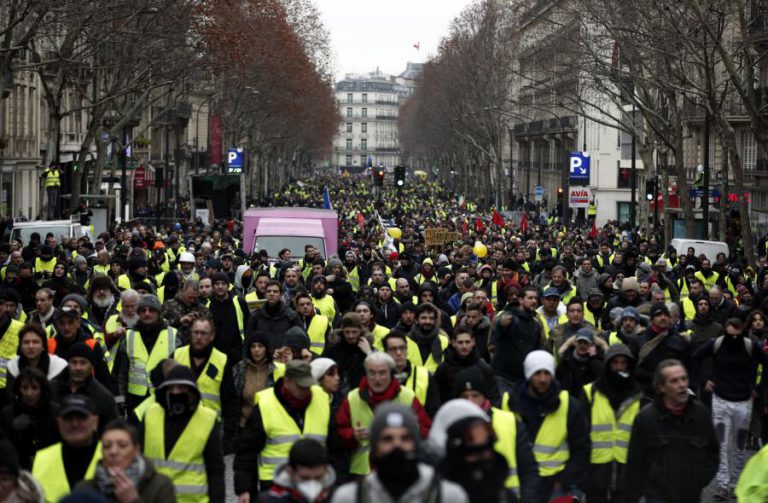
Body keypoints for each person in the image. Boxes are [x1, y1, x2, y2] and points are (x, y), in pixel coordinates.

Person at [234, 360, 335, 500]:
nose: (306, 391)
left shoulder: (321, 399)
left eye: (309, 386)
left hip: (317, 481)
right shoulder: (265, 404)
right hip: (275, 483)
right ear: (287, 382)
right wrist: (244, 488)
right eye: (301, 386)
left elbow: (335, 446)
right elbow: (247, 450)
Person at [691, 317, 768, 500]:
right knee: (721, 444)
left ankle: (735, 482)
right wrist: (703, 382)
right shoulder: (717, 344)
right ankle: (723, 485)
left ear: (742, 331)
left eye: (736, 335)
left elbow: (766, 365)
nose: (733, 339)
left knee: (739, 446)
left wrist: (759, 388)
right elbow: (695, 358)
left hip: (743, 403)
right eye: (730, 334)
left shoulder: (750, 346)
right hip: (721, 402)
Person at [624, 359, 719, 502]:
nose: (681, 385)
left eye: (684, 379)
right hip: (658, 496)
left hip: (690, 496)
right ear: (661, 387)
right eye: (674, 381)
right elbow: (635, 464)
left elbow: (713, 453)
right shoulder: (646, 418)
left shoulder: (701, 414)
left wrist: (699, 480)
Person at [331, 403, 468, 503]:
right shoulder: (349, 498)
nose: (397, 445)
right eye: (387, 439)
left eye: (405, 438)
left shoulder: (448, 496)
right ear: (375, 446)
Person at [502, 350, 589, 501]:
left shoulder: (569, 405)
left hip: (555, 487)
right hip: (518, 485)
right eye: (537, 373)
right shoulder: (507, 404)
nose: (543, 379)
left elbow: (581, 450)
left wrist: (563, 482)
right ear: (528, 375)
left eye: (547, 373)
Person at [450, 369, 540, 501]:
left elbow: (529, 471)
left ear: (484, 396)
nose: (470, 401)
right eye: (465, 396)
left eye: (475, 395)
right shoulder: (449, 425)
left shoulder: (509, 422)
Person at [336, 352, 431, 477]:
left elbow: (426, 431)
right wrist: (352, 435)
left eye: (382, 372)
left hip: (402, 470)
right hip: (363, 473)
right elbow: (338, 434)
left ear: (390, 373)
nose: (377, 378)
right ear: (366, 373)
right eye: (372, 373)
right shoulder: (352, 398)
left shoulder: (408, 396)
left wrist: (414, 430)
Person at [142, 365, 225, 502]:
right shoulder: (151, 414)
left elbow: (215, 470)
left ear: (192, 391)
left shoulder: (208, 419)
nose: (176, 393)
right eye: (172, 388)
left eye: (181, 388)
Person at [581, 344, 643, 503]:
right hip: (596, 467)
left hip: (626, 470)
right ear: (608, 364)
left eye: (624, 363)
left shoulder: (638, 395)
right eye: (615, 362)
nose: (619, 367)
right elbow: (580, 434)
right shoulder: (590, 392)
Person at [75, 419, 176, 503]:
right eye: (107, 446)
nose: (113, 452)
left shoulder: (160, 486)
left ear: (136, 450)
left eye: (122, 445)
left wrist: (133, 500)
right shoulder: (84, 489)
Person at [114, 294, 180, 412]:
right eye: (143, 310)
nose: (147, 313)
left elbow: (182, 373)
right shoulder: (129, 336)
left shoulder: (173, 336)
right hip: (134, 403)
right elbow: (119, 375)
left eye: (151, 310)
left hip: (164, 401)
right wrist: (120, 401)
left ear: (158, 313)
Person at [32, 394, 103, 503]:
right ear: (59, 423)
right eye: (68, 418)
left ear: (95, 422)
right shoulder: (42, 458)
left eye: (81, 417)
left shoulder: (111, 456)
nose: (74, 424)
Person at [54, 342, 119, 436]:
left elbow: (112, 433)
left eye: (83, 363)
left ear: (92, 366)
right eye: (74, 362)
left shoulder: (104, 398)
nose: (78, 367)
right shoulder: (52, 390)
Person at [1, 367, 60, 470]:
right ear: (19, 389)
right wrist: (13, 431)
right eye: (25, 387)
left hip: (49, 469)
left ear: (42, 389)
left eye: (34, 388)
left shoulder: (55, 412)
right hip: (18, 470)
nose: (29, 393)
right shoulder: (8, 413)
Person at [628, 302, 691, 397]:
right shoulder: (639, 340)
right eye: (658, 315)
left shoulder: (679, 340)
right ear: (652, 319)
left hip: (672, 395)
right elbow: (630, 368)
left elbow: (687, 367)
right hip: (645, 394)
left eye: (666, 315)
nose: (663, 317)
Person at [490, 286, 545, 393]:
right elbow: (498, 331)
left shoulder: (535, 325)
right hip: (504, 377)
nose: (533, 301)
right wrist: (501, 324)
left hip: (525, 378)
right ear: (520, 300)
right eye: (530, 298)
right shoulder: (509, 317)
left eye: (535, 298)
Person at [433, 328, 500, 407]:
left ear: (473, 342)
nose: (464, 346)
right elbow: (435, 396)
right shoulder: (443, 369)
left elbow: (493, 396)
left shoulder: (483, 367)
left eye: (467, 342)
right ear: (453, 343)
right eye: (460, 342)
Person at [383, 331, 441, 418]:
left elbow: (433, 412)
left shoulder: (424, 375)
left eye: (402, 348)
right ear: (385, 352)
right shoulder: (378, 376)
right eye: (393, 349)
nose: (399, 353)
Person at [233, 331, 284, 428]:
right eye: (253, 346)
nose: (256, 350)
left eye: (260, 346)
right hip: (243, 426)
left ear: (266, 349)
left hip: (268, 426)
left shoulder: (276, 370)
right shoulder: (239, 369)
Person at [264, 438, 337, 503]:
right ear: (290, 472)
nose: (312, 484)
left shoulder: (338, 498)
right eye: (305, 478)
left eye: (318, 477)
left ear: (326, 471)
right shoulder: (269, 500)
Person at [321, 312, 372, 393]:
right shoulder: (331, 350)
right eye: (347, 332)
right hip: (336, 395)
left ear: (360, 331)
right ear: (342, 331)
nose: (350, 336)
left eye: (354, 332)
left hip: (361, 394)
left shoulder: (367, 349)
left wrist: (369, 353)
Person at [207, 272, 249, 365]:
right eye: (217, 284)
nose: (220, 287)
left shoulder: (239, 302)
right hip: (215, 355)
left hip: (237, 356)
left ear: (228, 285)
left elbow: (248, 326)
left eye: (223, 284)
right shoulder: (208, 306)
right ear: (213, 286)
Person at [406, 302, 449, 372]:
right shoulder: (406, 341)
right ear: (416, 320)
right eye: (424, 318)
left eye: (431, 318)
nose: (428, 321)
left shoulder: (444, 341)